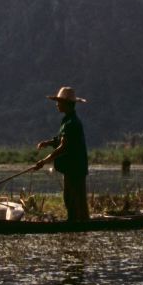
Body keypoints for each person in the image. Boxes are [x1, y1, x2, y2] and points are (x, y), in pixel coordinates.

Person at [34, 86, 90, 222]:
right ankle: (77, 222)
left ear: (67, 104)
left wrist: (44, 161)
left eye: (59, 102)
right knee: (71, 198)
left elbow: (63, 147)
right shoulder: (67, 121)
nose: (57, 104)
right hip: (71, 168)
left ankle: (77, 224)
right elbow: (60, 140)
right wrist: (47, 143)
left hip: (75, 168)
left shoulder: (72, 123)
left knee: (73, 199)